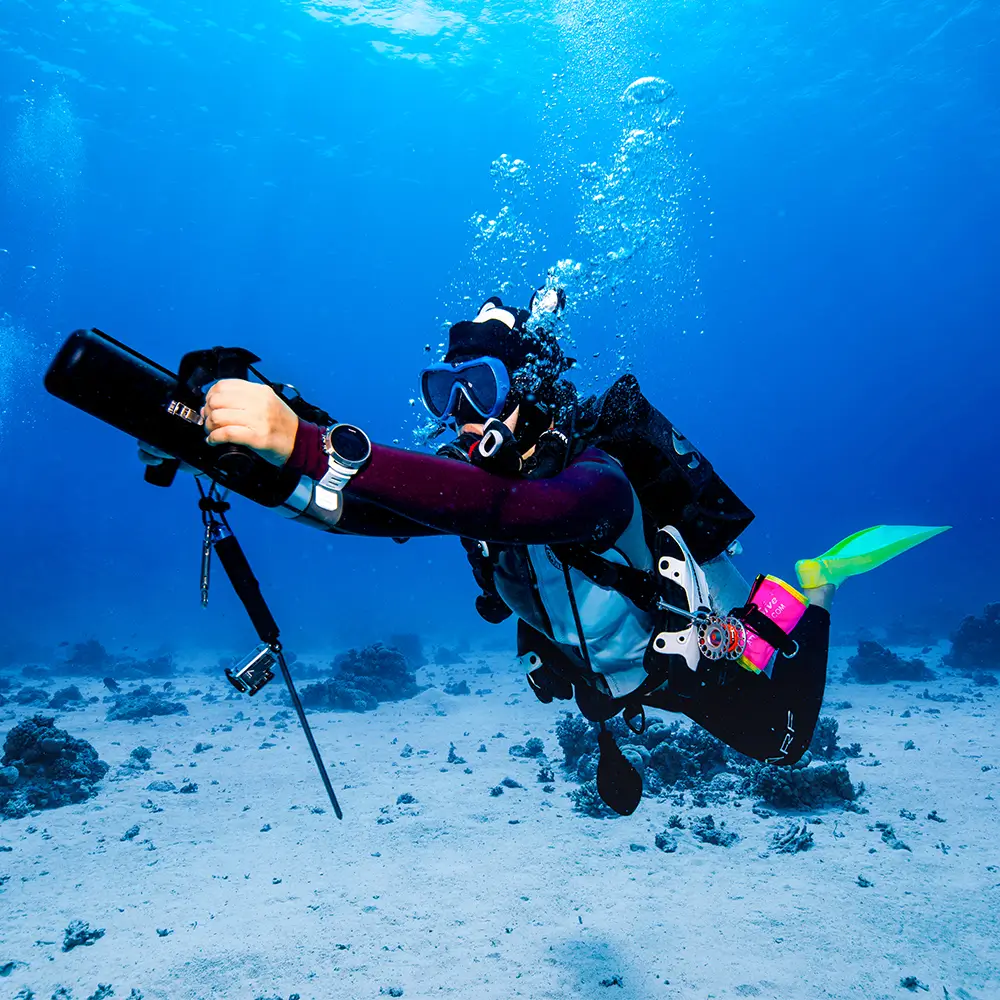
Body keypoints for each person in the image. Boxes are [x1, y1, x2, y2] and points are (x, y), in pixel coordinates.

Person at [141, 291, 948, 814]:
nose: (459, 414)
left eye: (481, 390)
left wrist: (309, 442)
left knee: (783, 745)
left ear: (527, 396)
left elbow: (522, 509)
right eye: (441, 393)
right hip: (609, 680)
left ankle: (814, 583)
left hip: (698, 666)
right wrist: (247, 458)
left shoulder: (597, 483)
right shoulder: (471, 495)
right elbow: (366, 511)